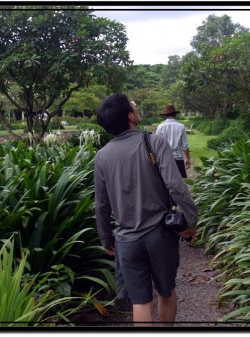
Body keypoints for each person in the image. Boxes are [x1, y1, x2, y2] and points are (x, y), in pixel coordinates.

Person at [94, 93, 198, 326]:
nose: (135, 106)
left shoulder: (102, 156)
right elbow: (175, 185)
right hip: (160, 235)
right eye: (132, 105)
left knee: (140, 303)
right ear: (130, 116)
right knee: (166, 292)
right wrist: (191, 220)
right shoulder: (153, 141)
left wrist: (106, 238)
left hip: (126, 241)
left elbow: (101, 204)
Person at [156, 105, 191, 178]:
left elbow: (157, 144)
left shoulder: (160, 127)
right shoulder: (181, 126)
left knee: (166, 183)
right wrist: (188, 159)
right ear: (175, 114)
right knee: (182, 182)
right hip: (178, 158)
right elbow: (184, 145)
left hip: (165, 158)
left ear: (166, 115)